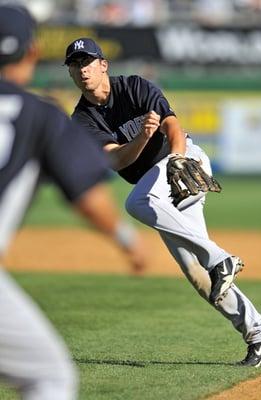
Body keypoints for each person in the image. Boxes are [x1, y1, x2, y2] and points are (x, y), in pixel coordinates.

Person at [64, 36, 261, 368]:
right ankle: (260, 334)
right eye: (74, 64)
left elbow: (172, 124)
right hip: (153, 188)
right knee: (198, 275)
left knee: (135, 204)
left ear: (103, 65)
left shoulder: (134, 87)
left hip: (182, 163)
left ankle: (219, 258)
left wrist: (178, 161)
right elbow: (117, 161)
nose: (82, 70)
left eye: (87, 62)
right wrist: (141, 138)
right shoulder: (82, 120)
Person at [0, 5, 148, 400]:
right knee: (50, 378)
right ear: (32, 52)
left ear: (102, 65)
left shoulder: (129, 87)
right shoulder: (40, 115)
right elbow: (86, 197)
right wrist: (126, 240)